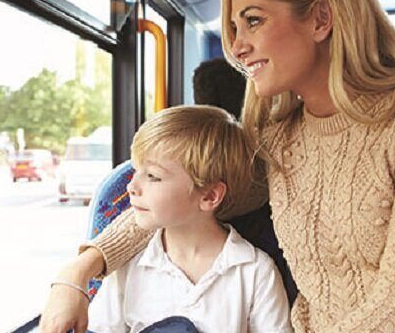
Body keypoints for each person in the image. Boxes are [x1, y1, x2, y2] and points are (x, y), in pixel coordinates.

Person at [41, 0, 395, 332]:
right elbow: (184, 198)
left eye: (253, 21)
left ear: (321, 18)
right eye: (233, 27)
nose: (237, 47)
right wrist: (79, 273)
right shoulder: (282, 140)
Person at [87, 105, 292, 332]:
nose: (131, 186)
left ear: (209, 196)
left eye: (153, 176)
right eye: (136, 171)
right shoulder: (128, 265)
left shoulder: (254, 271)